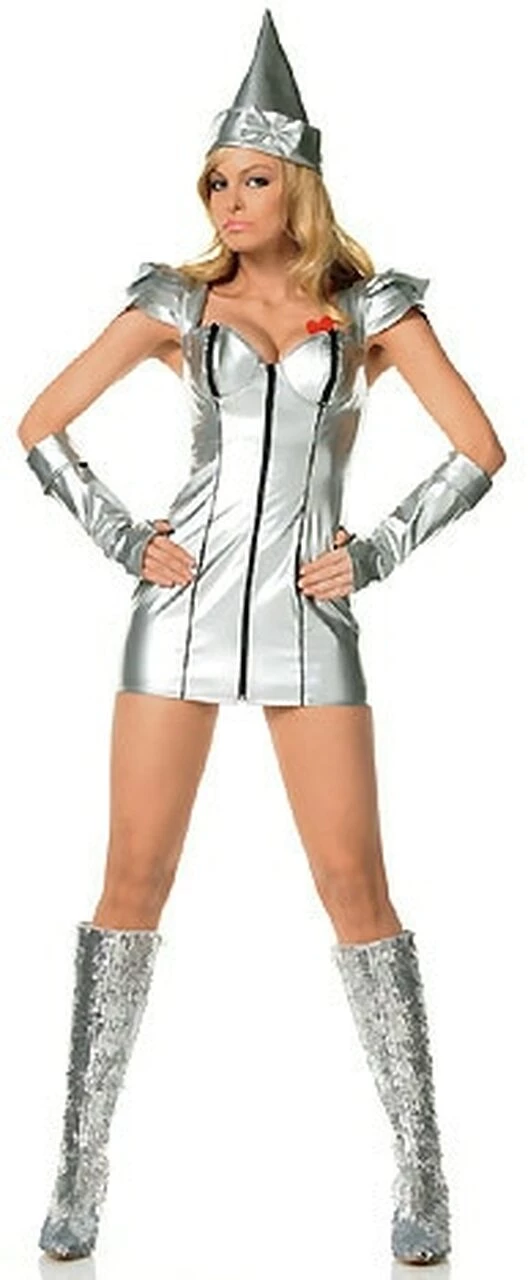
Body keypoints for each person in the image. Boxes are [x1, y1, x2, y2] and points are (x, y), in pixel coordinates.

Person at [18, 7, 506, 1268]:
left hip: (310, 617)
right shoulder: (178, 305)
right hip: (176, 613)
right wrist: (121, 536)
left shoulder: (370, 310)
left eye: (252, 181)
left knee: (355, 885)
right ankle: (78, 1168)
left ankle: (423, 1166)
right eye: (217, 183)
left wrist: (378, 549)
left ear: (300, 185)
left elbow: (480, 449)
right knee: (131, 882)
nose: (230, 203)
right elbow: (39, 423)